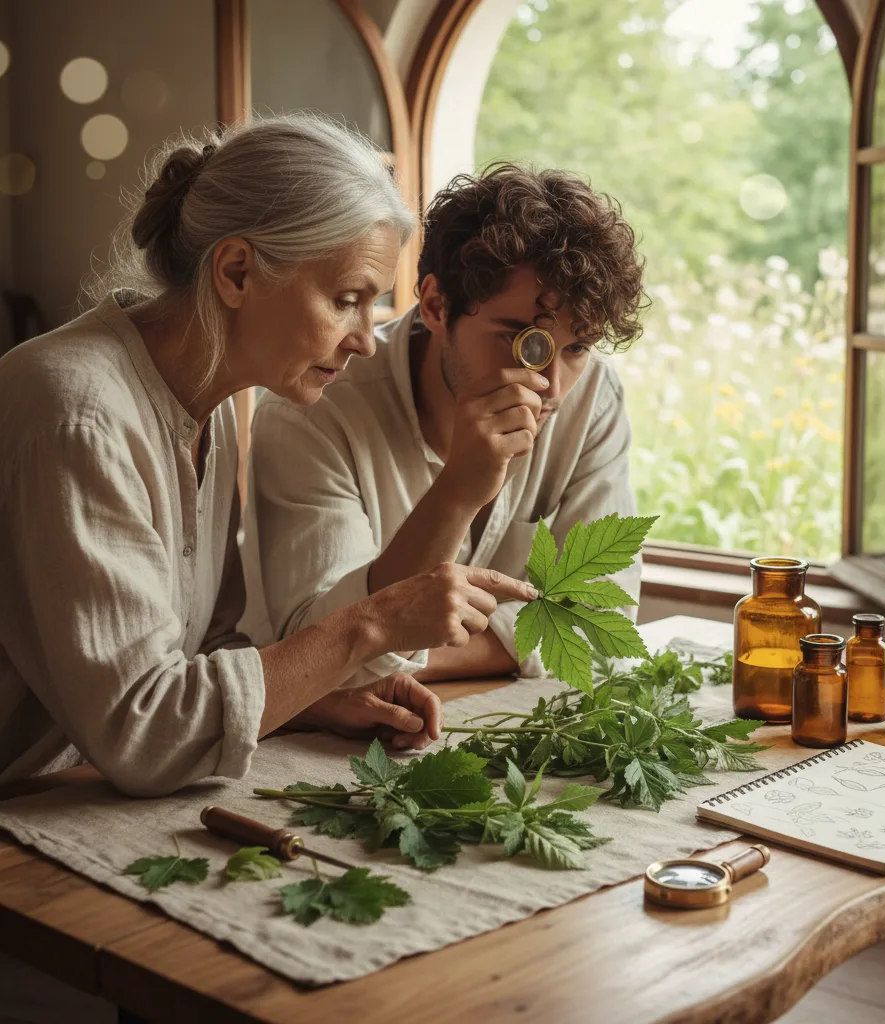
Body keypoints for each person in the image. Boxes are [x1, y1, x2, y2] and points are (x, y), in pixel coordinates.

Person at [0, 116, 537, 797]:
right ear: (236, 271)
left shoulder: (210, 404)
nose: (365, 341)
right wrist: (371, 623)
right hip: (22, 820)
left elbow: (192, 653)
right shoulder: (76, 410)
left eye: (372, 307)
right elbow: (144, 736)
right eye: (346, 300)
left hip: (78, 800)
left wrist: (309, 698)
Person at [243, 163, 647, 684]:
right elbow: (312, 650)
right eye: (518, 338)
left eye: (576, 348)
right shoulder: (314, 410)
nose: (550, 383)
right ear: (435, 304)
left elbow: (602, 627)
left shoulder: (593, 397)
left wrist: (404, 657)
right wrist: (458, 491)